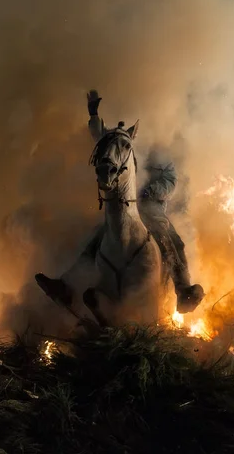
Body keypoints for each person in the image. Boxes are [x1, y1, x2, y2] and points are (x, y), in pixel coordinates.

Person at [87, 90, 204, 314]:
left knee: (172, 240)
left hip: (151, 209)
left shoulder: (162, 154)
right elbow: (101, 138)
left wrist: (151, 192)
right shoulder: (127, 142)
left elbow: (170, 182)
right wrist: (93, 113)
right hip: (124, 207)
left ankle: (183, 290)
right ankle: (70, 283)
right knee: (95, 235)